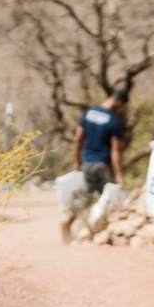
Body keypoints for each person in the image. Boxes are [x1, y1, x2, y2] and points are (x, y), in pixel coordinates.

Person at [61, 88, 128, 243]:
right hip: (103, 164)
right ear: (119, 102)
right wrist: (119, 175)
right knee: (108, 199)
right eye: (122, 106)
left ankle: (68, 221)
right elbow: (115, 150)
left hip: (87, 163)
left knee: (87, 198)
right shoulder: (114, 120)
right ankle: (104, 234)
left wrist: (77, 161)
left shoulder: (89, 113)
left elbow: (78, 139)